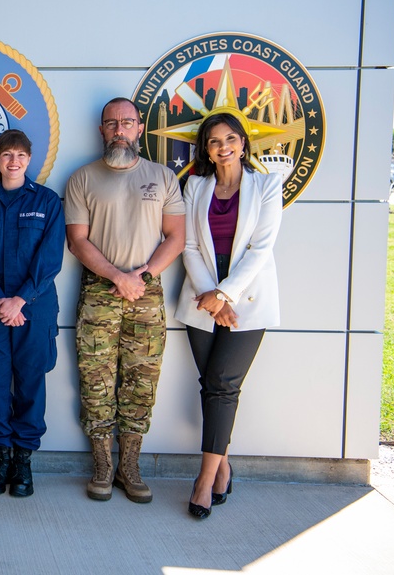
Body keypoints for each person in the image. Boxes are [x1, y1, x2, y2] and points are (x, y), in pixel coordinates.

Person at [64, 97, 185, 504]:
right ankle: (102, 464)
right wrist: (117, 276)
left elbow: (177, 238)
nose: (120, 129)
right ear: (102, 130)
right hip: (99, 291)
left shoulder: (163, 177)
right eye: (111, 123)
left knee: (141, 381)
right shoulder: (82, 178)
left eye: (127, 122)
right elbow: (77, 240)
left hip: (146, 293)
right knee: (96, 379)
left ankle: (129, 466)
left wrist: (142, 277)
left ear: (139, 128)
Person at [175, 112, 282, 519]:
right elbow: (188, 246)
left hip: (247, 299)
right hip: (201, 298)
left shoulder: (267, 184)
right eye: (215, 140)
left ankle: (204, 481)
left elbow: (261, 248)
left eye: (231, 138)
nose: (224, 147)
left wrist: (225, 294)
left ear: (243, 142)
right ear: (205, 148)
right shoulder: (195, 186)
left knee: (221, 385)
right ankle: (222, 468)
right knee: (212, 385)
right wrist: (211, 296)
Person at [0, 130, 64, 497]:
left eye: (20, 155)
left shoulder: (48, 202)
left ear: (29, 159)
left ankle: (23, 460)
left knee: (30, 381)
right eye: (7, 154)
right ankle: (0, 457)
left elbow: (50, 259)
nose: (13, 161)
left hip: (34, 309)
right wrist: (0, 300)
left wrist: (19, 300)